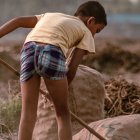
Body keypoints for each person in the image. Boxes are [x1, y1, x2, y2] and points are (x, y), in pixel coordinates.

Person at [0, 1, 107, 140]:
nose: (94, 35)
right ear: (91, 21)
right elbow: (72, 68)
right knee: (62, 113)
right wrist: (59, 91)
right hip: (51, 51)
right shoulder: (86, 32)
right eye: (97, 31)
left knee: (27, 113)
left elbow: (18, 21)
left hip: (28, 50)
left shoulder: (50, 15)